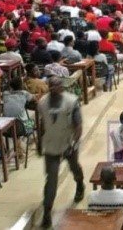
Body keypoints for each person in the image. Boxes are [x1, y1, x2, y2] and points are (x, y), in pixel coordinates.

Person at [38, 77, 84, 227]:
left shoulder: (71, 101)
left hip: (68, 142)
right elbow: (42, 122)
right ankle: (47, 212)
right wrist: (39, 141)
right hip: (51, 144)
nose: (52, 88)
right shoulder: (42, 102)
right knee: (51, 179)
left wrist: (74, 143)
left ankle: (80, 183)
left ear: (61, 87)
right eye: (50, 86)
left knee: (74, 167)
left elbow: (78, 126)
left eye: (55, 86)